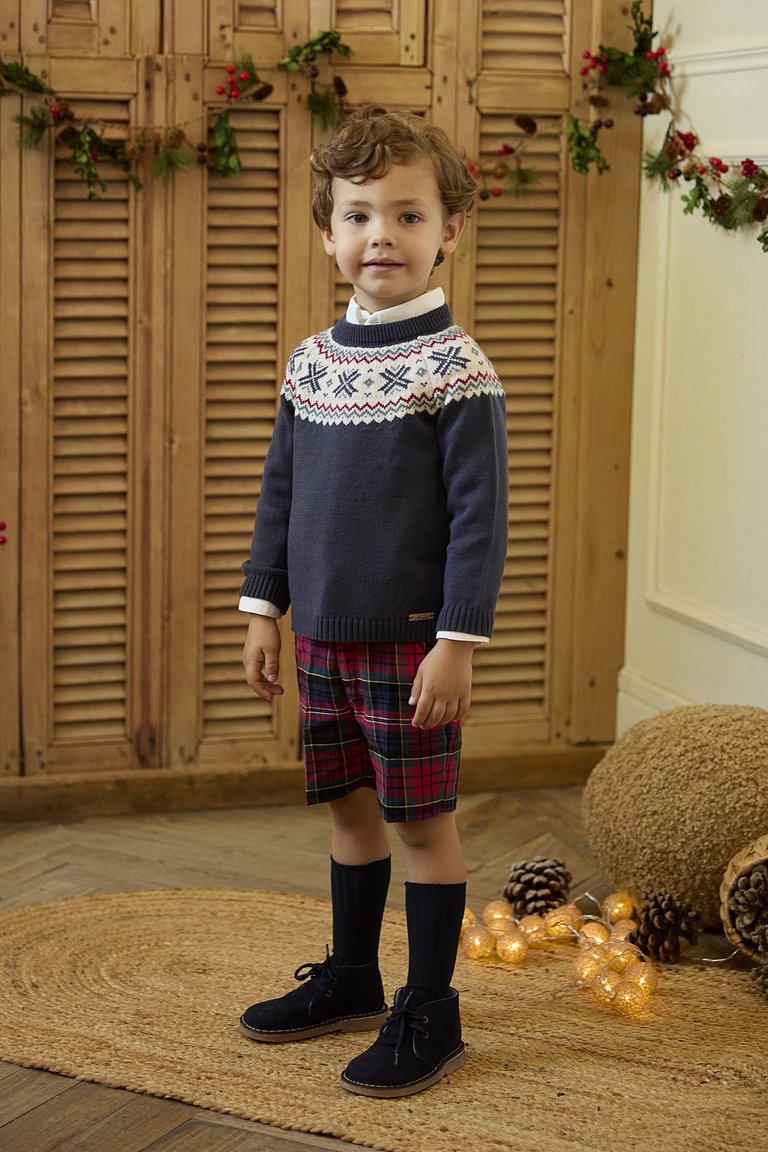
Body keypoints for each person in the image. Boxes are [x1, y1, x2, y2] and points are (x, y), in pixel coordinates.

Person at [237, 105, 508, 1098]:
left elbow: (480, 522)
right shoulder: (311, 363)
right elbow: (280, 494)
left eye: (406, 215)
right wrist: (263, 609)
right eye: (357, 216)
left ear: (449, 230)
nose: (379, 236)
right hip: (319, 640)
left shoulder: (458, 371)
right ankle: (353, 977)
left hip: (410, 650)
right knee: (348, 814)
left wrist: (456, 643)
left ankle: (430, 1011)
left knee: (421, 826)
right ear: (327, 232)